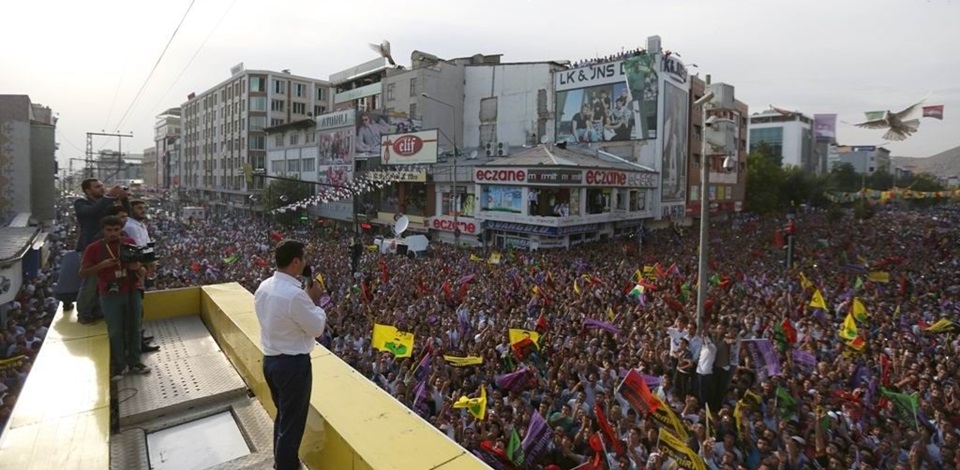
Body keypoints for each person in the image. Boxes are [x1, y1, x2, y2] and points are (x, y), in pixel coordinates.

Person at [254, 239, 327, 470]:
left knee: (284, 418)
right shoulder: (295, 296)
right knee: (293, 424)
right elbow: (316, 328)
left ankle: (281, 460)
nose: (306, 262)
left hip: (271, 361)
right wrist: (315, 302)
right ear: (296, 262)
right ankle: (285, 465)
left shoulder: (264, 286)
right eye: (304, 258)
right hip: (293, 367)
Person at [79, 215, 150, 380]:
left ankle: (135, 362)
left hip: (132, 289)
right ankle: (119, 365)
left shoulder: (129, 242)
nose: (113, 233)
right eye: (109, 230)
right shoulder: (94, 248)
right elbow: (82, 273)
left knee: (135, 327)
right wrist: (101, 266)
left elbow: (142, 266)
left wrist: (138, 267)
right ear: (103, 230)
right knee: (115, 330)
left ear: (121, 230)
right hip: (110, 293)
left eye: (116, 230)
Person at [74, 179, 128, 324]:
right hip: (90, 246)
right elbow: (91, 212)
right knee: (90, 282)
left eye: (102, 186)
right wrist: (108, 197)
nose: (102, 189)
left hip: (106, 245)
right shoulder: (81, 203)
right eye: (97, 187)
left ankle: (97, 310)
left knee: (104, 280)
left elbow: (121, 217)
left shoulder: (106, 203)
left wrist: (123, 199)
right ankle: (84, 313)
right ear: (87, 190)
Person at [122, 200, 160, 353]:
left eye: (144, 207)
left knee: (139, 305)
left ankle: (140, 336)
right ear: (131, 211)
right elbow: (139, 248)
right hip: (137, 268)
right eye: (139, 208)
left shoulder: (140, 225)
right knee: (135, 306)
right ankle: (136, 344)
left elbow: (147, 245)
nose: (143, 210)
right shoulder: (130, 226)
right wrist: (146, 263)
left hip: (143, 266)